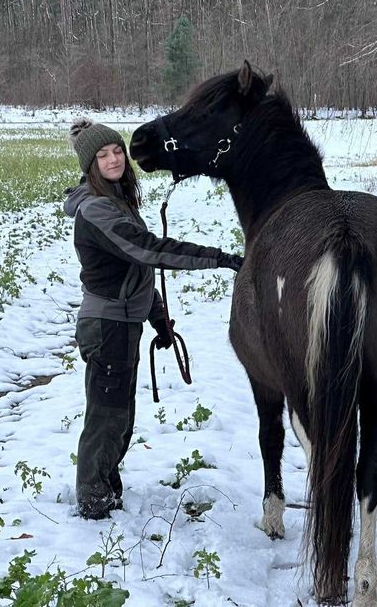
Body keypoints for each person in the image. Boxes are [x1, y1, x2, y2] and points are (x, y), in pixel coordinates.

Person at [63, 119, 243, 520]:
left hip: (122, 323)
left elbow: (133, 272)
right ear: (89, 164)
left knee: (120, 416)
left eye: (116, 152)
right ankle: (93, 500)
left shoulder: (115, 202)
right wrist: (220, 258)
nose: (113, 159)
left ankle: (106, 490)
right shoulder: (96, 210)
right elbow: (147, 251)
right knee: (107, 417)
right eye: (102, 155)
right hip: (107, 326)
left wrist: (158, 318)